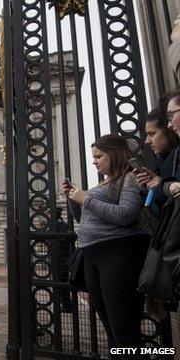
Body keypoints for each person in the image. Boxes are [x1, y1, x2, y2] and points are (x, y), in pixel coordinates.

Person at [62, 134, 149, 356]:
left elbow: (126, 215)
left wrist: (85, 199)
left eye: (99, 156)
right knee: (110, 327)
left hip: (118, 255)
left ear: (115, 154)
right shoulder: (104, 182)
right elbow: (85, 218)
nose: (95, 161)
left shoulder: (130, 178)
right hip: (94, 255)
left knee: (124, 328)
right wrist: (74, 199)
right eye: (94, 157)